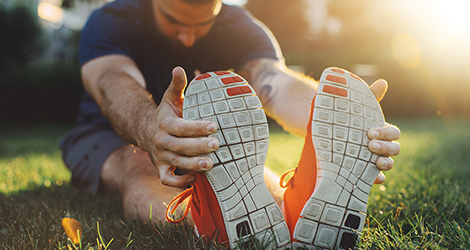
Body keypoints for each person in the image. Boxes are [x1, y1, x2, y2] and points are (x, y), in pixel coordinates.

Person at [59, 0, 400, 248]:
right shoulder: (112, 19)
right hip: (107, 135)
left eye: (202, 24)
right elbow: (111, 80)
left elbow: (276, 84)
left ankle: (291, 221)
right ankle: (211, 227)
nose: (189, 38)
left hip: (210, 139)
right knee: (140, 163)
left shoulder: (240, 25)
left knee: (246, 177)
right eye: (175, 20)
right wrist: (151, 129)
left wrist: (335, 114)